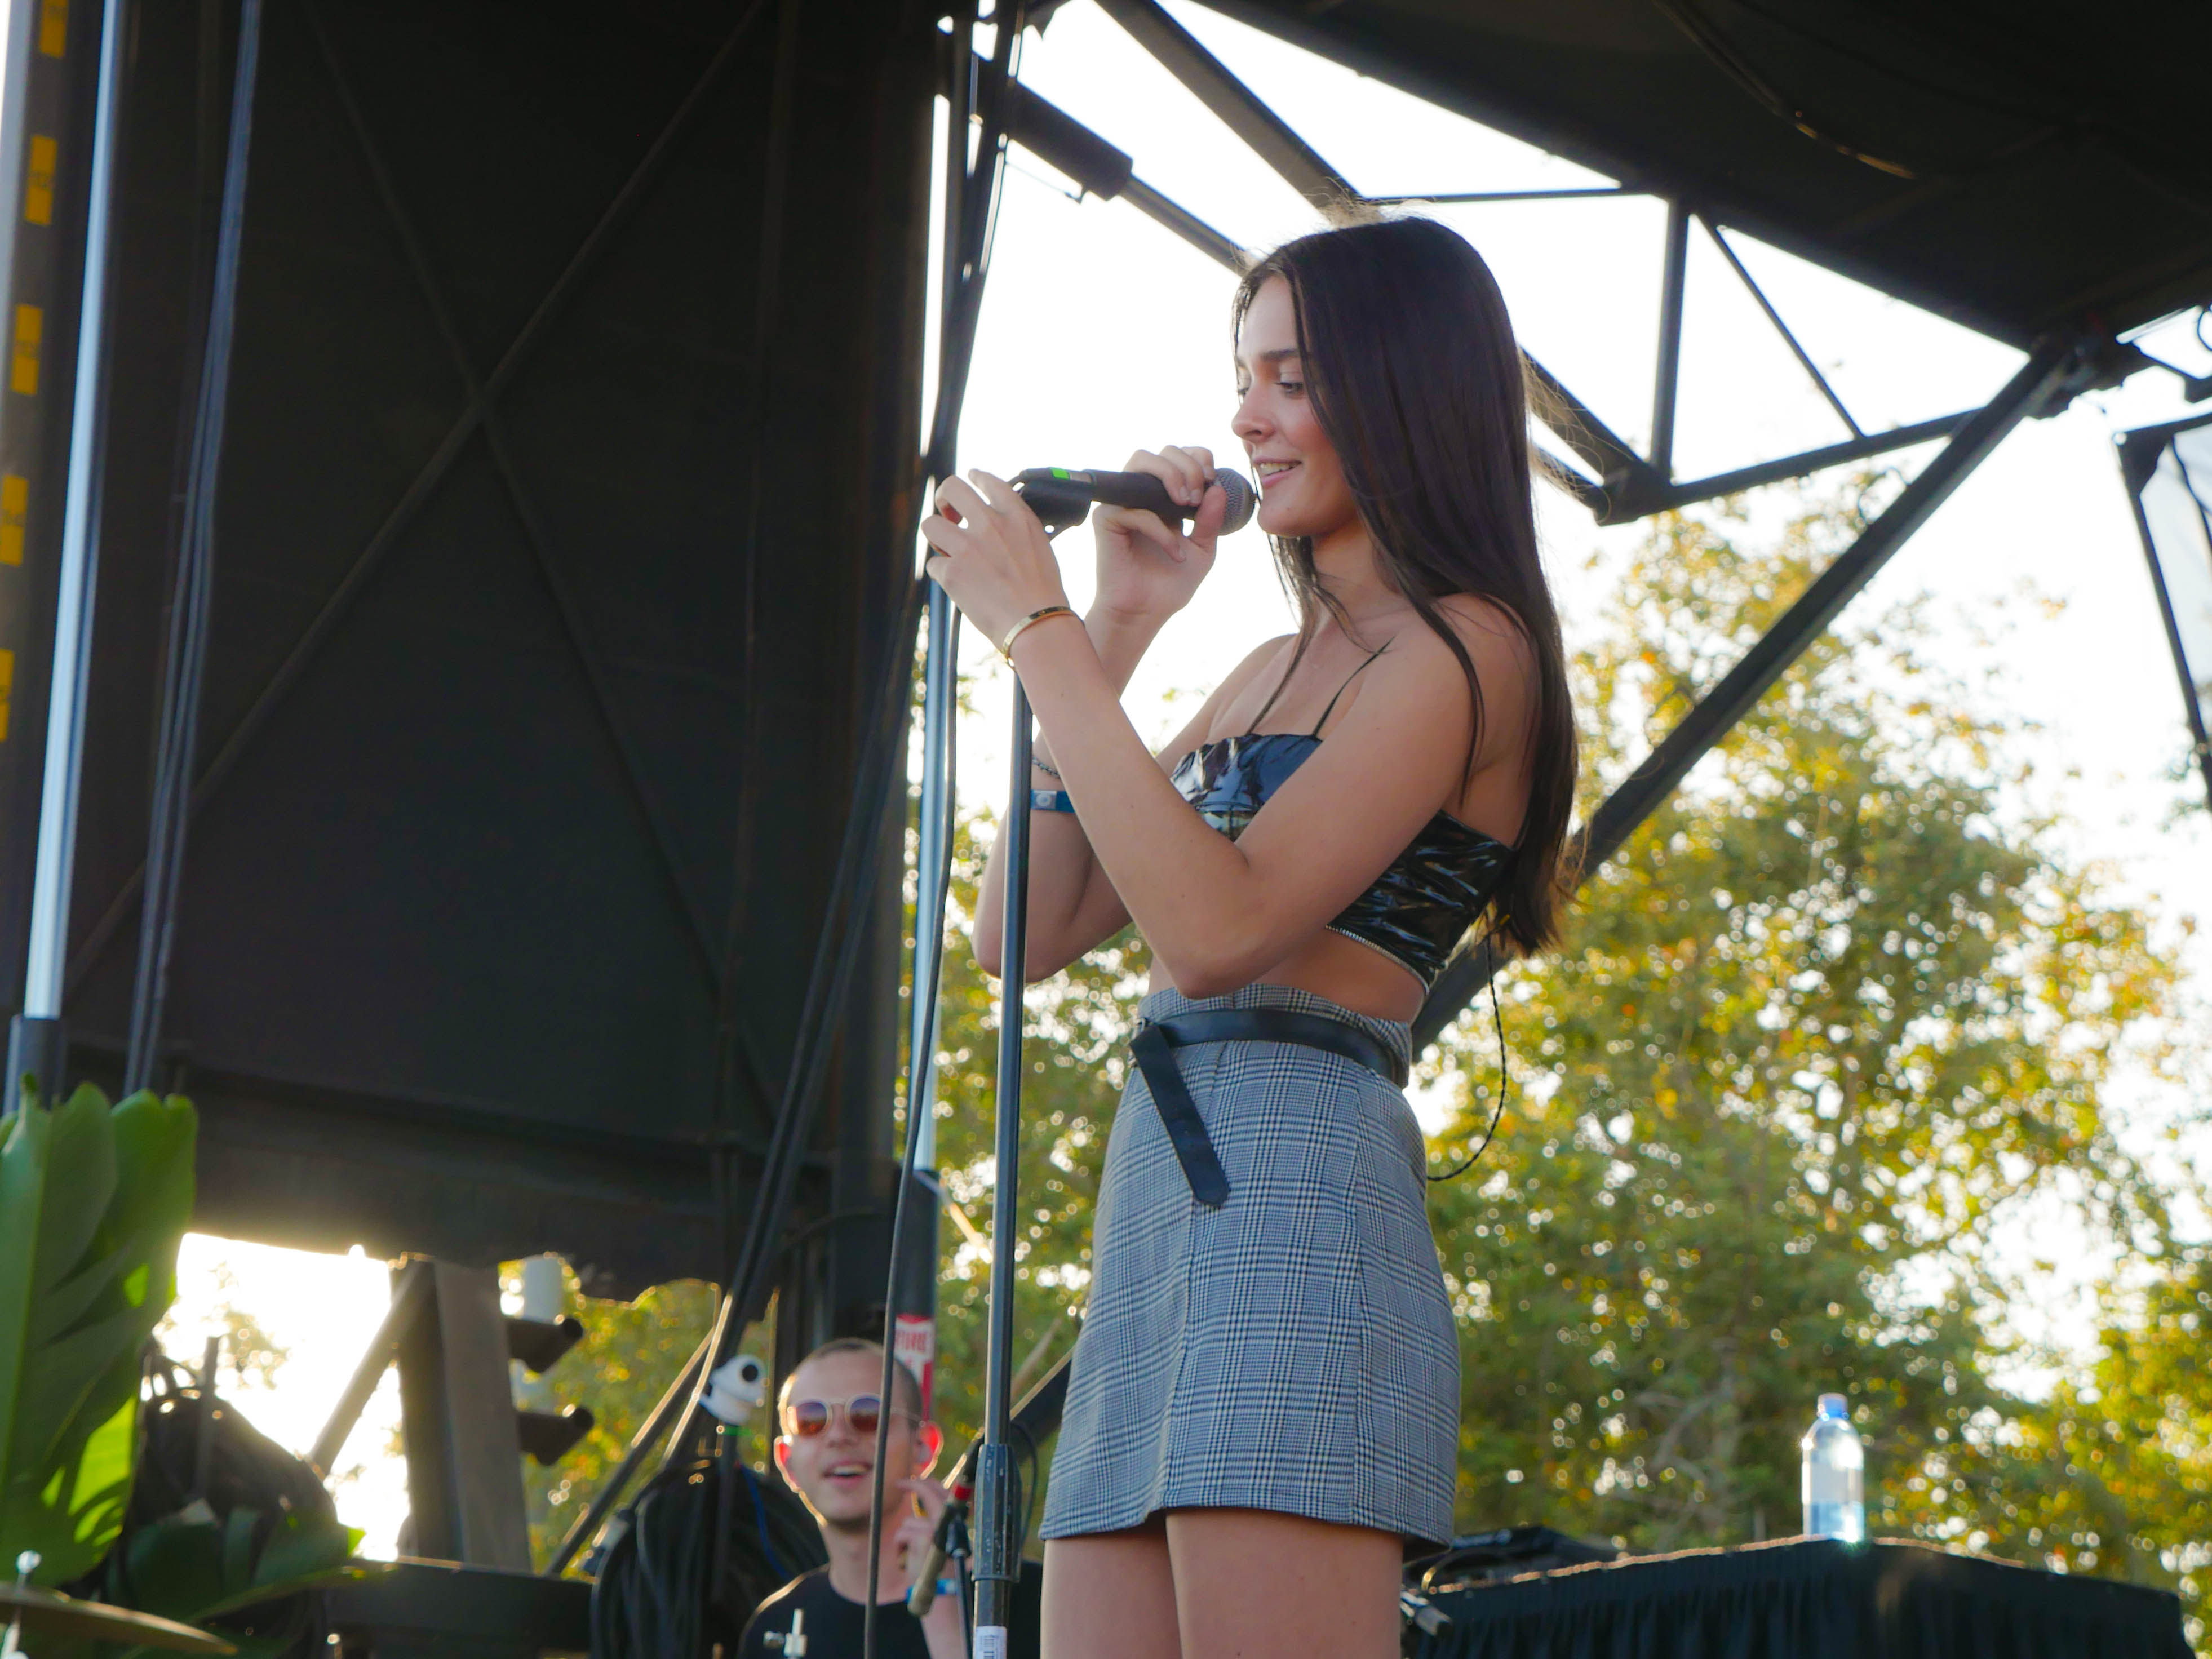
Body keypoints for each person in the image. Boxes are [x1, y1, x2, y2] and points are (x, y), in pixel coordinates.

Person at [917, 216, 1580, 1658]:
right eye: (1243, 379)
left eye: (1290, 378)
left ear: (1401, 391)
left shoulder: (1468, 647)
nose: (1245, 419)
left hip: (1298, 1180)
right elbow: (1021, 927)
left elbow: (1217, 929)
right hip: (1157, 1197)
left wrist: (1036, 631)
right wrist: (1112, 622)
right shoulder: (1265, 667)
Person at [737, 1337, 1041, 1659]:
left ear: (923, 1448)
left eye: (867, 1414)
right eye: (811, 1420)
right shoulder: (773, 1627)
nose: (838, 1436)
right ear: (787, 1463)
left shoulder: (1028, 1601)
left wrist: (942, 1603)